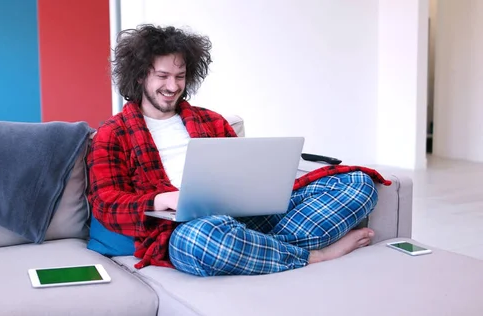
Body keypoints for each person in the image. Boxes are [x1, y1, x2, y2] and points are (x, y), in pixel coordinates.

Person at [86, 24, 389, 276]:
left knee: (358, 183)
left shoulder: (212, 121)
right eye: (162, 76)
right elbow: (105, 204)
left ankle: (256, 249)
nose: (172, 86)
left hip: (242, 217)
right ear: (140, 76)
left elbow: (244, 175)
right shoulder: (113, 134)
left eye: (180, 76)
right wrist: (162, 198)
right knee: (205, 239)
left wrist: (263, 186)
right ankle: (311, 257)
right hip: (184, 231)